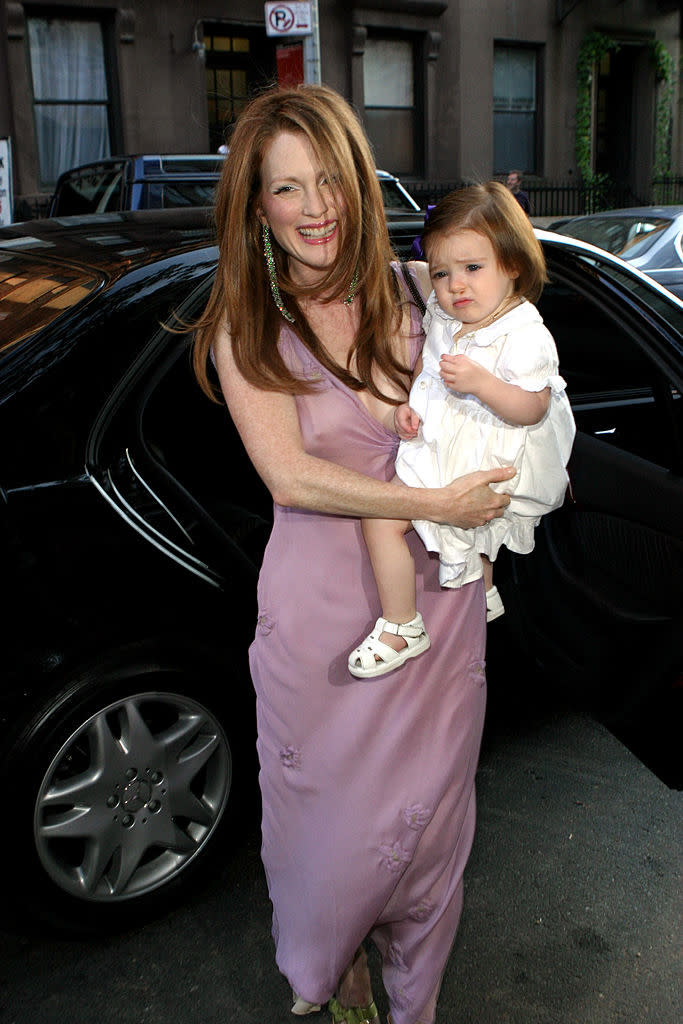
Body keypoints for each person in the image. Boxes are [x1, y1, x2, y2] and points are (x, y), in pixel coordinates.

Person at [192, 84, 515, 1024]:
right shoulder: (246, 328)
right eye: (286, 189)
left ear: (361, 188)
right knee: (330, 847)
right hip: (329, 625)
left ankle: (413, 1002)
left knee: (430, 836)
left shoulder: (424, 293)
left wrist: (530, 471)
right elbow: (291, 478)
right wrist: (432, 499)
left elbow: (520, 363)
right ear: (256, 208)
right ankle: (335, 973)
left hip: (439, 612)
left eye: (329, 179)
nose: (314, 207)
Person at [348, 182, 575, 678]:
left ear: (512, 264)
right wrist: (405, 411)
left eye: (473, 269)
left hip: (491, 453)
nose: (455, 286)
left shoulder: (524, 332)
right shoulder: (444, 316)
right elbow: (427, 377)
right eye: (443, 272)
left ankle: (401, 623)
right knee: (406, 519)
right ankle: (473, 591)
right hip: (446, 446)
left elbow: (533, 406)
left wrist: (483, 384)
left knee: (389, 519)